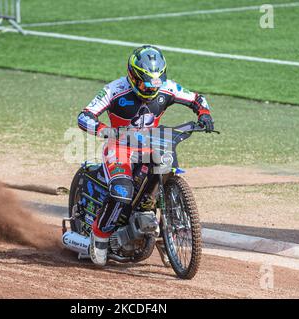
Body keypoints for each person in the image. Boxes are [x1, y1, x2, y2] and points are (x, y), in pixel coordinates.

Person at [77, 45, 214, 265]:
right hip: (119, 148)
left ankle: (162, 234)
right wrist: (103, 129)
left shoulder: (167, 88)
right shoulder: (114, 90)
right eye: (145, 82)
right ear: (132, 75)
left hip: (151, 146)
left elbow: (197, 99)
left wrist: (204, 113)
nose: (151, 88)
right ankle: (99, 237)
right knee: (122, 191)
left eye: (155, 83)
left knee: (165, 175)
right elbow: (84, 116)